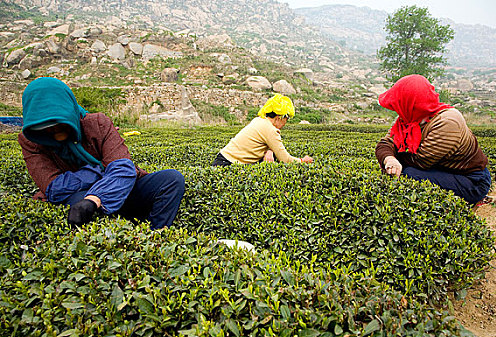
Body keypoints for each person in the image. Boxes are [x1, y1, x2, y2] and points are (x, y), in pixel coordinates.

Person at [18, 77, 185, 229]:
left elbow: (123, 169)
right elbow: (54, 188)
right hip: (80, 196)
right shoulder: (31, 141)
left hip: (116, 189)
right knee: (79, 202)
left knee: (171, 180)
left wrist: (94, 199)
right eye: (46, 129)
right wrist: (100, 170)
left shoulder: (98, 123)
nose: (55, 132)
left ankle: (155, 236)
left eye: (60, 124)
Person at [375, 74, 491, 205]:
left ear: (410, 103)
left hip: (471, 181)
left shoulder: (447, 122)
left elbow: (421, 162)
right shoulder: (409, 119)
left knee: (408, 174)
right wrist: (389, 158)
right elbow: (385, 143)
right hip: (443, 170)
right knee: (396, 169)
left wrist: (394, 156)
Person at [212, 94, 313, 166]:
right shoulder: (270, 130)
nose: (286, 123)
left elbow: (265, 141)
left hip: (222, 160)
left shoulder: (260, 121)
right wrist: (302, 161)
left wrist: (269, 150)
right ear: (279, 118)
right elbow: (285, 159)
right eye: (286, 119)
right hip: (227, 165)